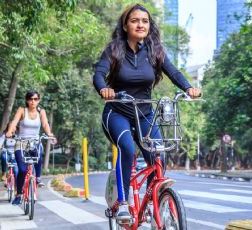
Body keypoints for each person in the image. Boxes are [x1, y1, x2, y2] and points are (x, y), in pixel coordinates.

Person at [93, 3, 201, 220]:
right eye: (134, 20)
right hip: (117, 113)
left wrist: (188, 87)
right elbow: (99, 74)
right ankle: (123, 202)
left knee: (158, 155)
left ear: (149, 25)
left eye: (144, 21)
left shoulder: (155, 50)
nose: (140, 24)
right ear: (125, 26)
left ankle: (154, 198)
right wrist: (104, 89)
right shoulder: (114, 50)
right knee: (126, 147)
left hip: (145, 114)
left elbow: (173, 71)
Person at [5, 89, 56, 205]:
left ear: (38, 100)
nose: (33, 102)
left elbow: (45, 124)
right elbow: (14, 122)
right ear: (27, 100)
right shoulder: (22, 110)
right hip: (21, 143)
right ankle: (18, 194)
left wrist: (49, 134)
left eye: (35, 99)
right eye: (30, 99)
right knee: (22, 170)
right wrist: (10, 131)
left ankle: (38, 178)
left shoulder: (41, 111)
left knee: (39, 153)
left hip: (34, 142)